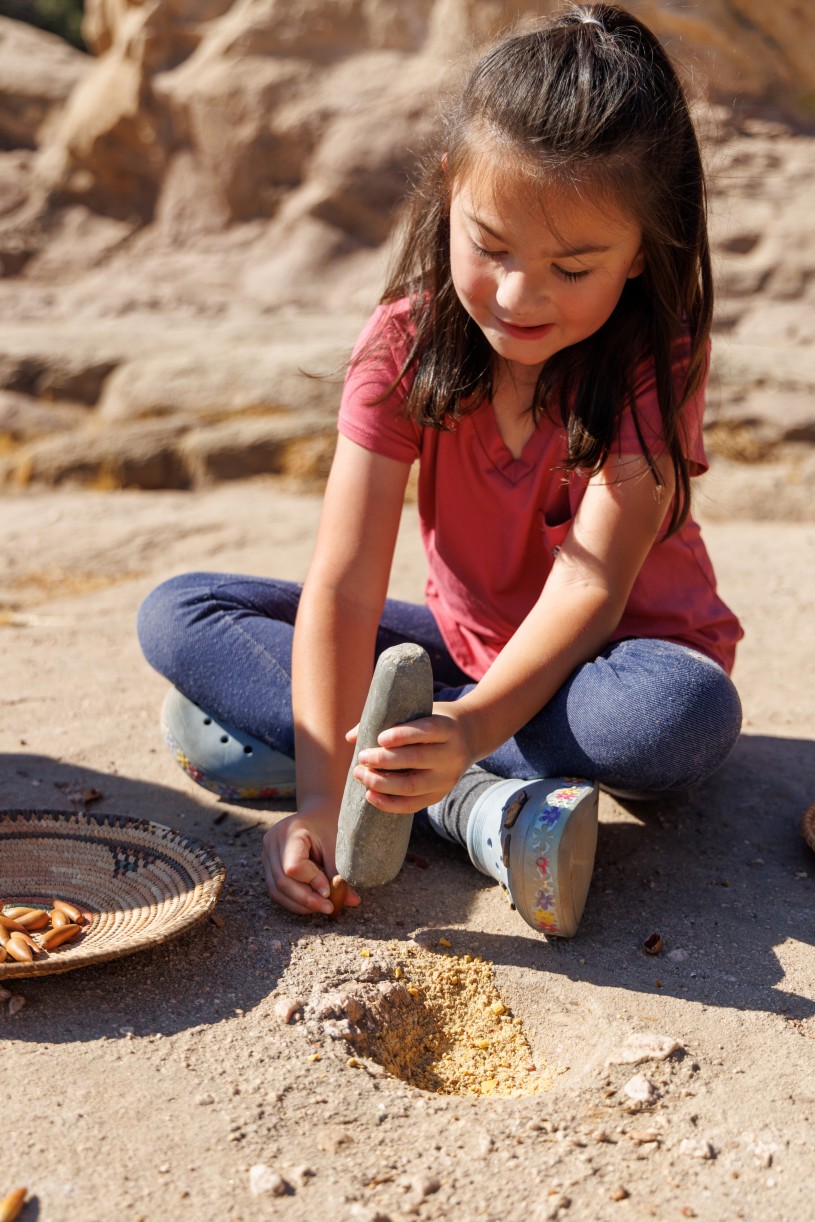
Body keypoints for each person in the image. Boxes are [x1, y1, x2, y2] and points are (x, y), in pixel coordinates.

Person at [137, 3, 743, 937]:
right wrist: (320, 802)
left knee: (681, 715)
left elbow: (589, 589)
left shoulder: (651, 362)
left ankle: (424, 770)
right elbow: (343, 583)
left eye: (571, 266)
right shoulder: (403, 345)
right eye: (489, 246)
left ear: (640, 253)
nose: (516, 294)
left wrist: (464, 726)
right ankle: (459, 797)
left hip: (607, 666)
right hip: (464, 653)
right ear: (449, 191)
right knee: (183, 613)